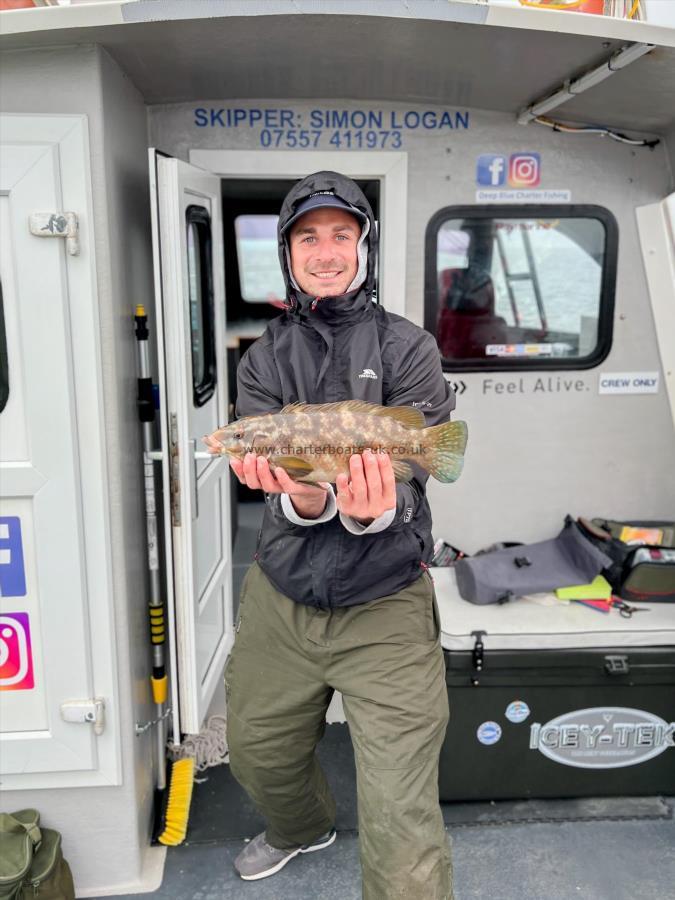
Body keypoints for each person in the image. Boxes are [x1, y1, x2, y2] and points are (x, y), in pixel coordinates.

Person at [223, 171, 456, 899]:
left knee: (398, 810)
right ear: (288, 253)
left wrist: (366, 511)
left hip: (385, 595)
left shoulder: (409, 347)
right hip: (282, 590)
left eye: (341, 235)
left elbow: (418, 467)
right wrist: (302, 496)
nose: (325, 252)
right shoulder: (262, 359)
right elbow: (283, 481)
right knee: (255, 753)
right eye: (307, 237)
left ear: (363, 247)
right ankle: (301, 827)